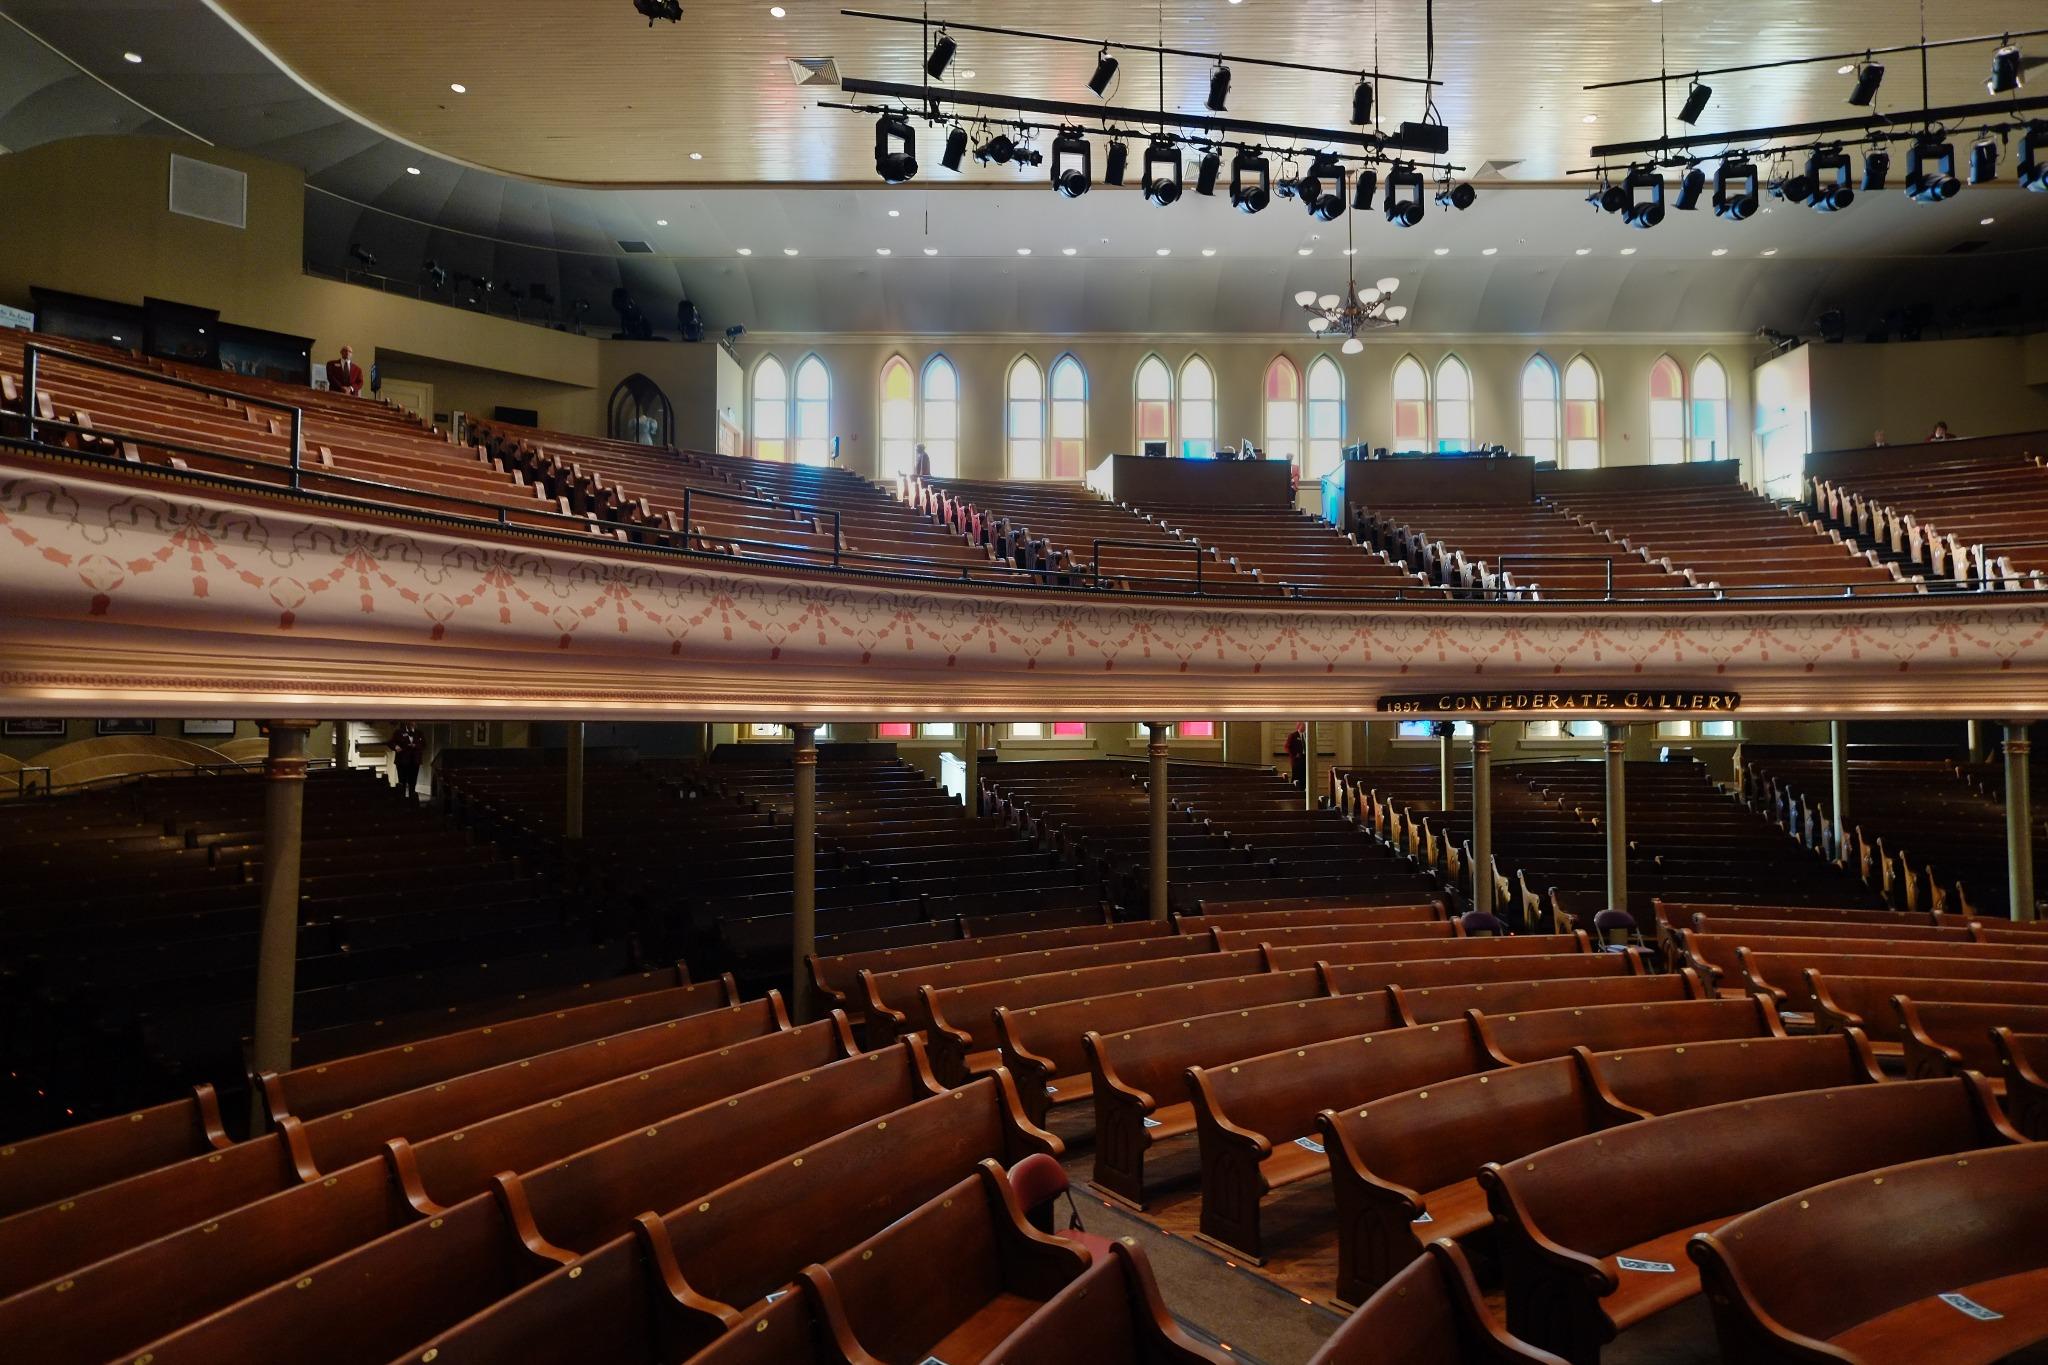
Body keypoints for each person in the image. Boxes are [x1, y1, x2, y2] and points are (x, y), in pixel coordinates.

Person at [389, 721, 424, 797]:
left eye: (414, 722)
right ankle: (402, 801)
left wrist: (415, 745)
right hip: (402, 761)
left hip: (415, 761)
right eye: (410, 722)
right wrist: (395, 747)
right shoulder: (399, 732)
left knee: (413, 781)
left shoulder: (419, 733)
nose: (412, 724)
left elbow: (424, 745)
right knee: (402, 782)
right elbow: (391, 742)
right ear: (406, 723)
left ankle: (412, 799)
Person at [1284, 722, 1307, 791]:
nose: (1305, 727)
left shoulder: (1306, 736)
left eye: (1305, 726)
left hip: (1305, 759)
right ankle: (1295, 792)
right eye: (1303, 725)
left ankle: (1303, 792)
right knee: (1296, 777)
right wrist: (1294, 755)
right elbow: (1286, 747)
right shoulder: (1293, 735)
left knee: (1304, 777)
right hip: (1297, 760)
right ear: (1299, 726)